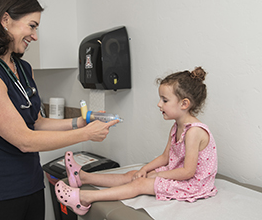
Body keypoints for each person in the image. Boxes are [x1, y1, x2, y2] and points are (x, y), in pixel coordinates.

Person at [0, 0, 118, 220]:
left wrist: (84, 121)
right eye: (32, 26)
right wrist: (87, 134)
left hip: (31, 185)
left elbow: (37, 122)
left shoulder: (23, 68)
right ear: (5, 20)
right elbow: (25, 140)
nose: (35, 35)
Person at [55, 67, 218, 215]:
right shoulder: (176, 127)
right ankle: (82, 177)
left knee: (140, 184)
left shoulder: (194, 132)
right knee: (134, 175)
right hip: (179, 174)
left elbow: (187, 172)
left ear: (184, 104)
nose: (159, 104)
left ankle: (84, 198)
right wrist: (145, 170)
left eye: (165, 100)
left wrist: (157, 175)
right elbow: (165, 157)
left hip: (193, 184)